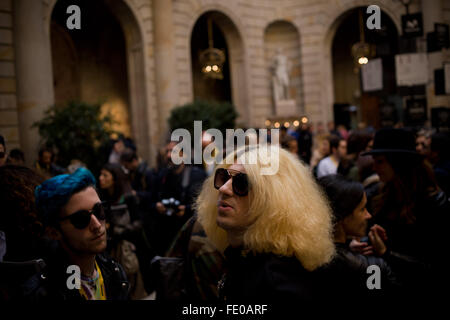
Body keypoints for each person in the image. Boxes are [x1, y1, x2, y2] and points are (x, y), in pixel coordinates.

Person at [196, 145, 335, 301]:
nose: (224, 188)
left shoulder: (278, 282)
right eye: (224, 177)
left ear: (272, 200)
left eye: (241, 183)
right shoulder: (244, 256)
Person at [363, 128, 449, 299]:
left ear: (399, 163)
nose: (374, 167)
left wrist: (387, 253)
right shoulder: (379, 195)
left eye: (379, 161)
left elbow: (435, 267)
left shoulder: (433, 203)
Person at [27, 167, 129, 300]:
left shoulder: (114, 272)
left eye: (99, 210)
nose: (97, 225)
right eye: (81, 219)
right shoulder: (42, 293)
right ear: (54, 232)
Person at [317, 174, 397, 302]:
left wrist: (347, 245)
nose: (368, 215)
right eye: (362, 209)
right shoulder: (371, 268)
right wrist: (385, 254)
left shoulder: (307, 255)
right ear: (343, 216)